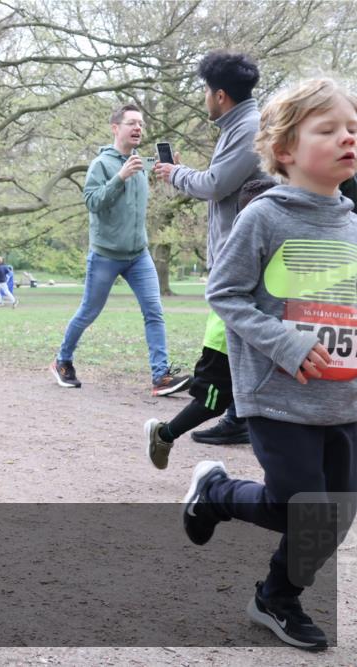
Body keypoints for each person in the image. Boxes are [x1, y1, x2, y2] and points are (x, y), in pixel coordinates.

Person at [181, 78, 357, 652]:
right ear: (285, 149)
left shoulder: (354, 224)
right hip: (277, 394)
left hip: (343, 399)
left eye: (352, 129)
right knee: (299, 507)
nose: (346, 138)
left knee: (335, 514)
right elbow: (225, 294)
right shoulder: (265, 215)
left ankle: (276, 598)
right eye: (327, 130)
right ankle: (217, 492)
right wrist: (286, 344)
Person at [154, 50, 267, 446]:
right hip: (234, 252)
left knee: (231, 337)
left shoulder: (250, 127)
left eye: (205, 90)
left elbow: (215, 184)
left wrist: (176, 174)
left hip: (244, 258)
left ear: (220, 95)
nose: (204, 98)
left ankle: (223, 414)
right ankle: (238, 416)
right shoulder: (238, 126)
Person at [50, 104, 189, 396]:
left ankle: (160, 376)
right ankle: (62, 361)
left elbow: (159, 171)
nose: (138, 128)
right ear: (116, 128)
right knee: (89, 311)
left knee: (154, 311)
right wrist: (120, 177)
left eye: (141, 123)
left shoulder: (141, 161)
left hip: (139, 255)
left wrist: (173, 169)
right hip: (105, 255)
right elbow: (92, 202)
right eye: (131, 123)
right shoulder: (101, 165)